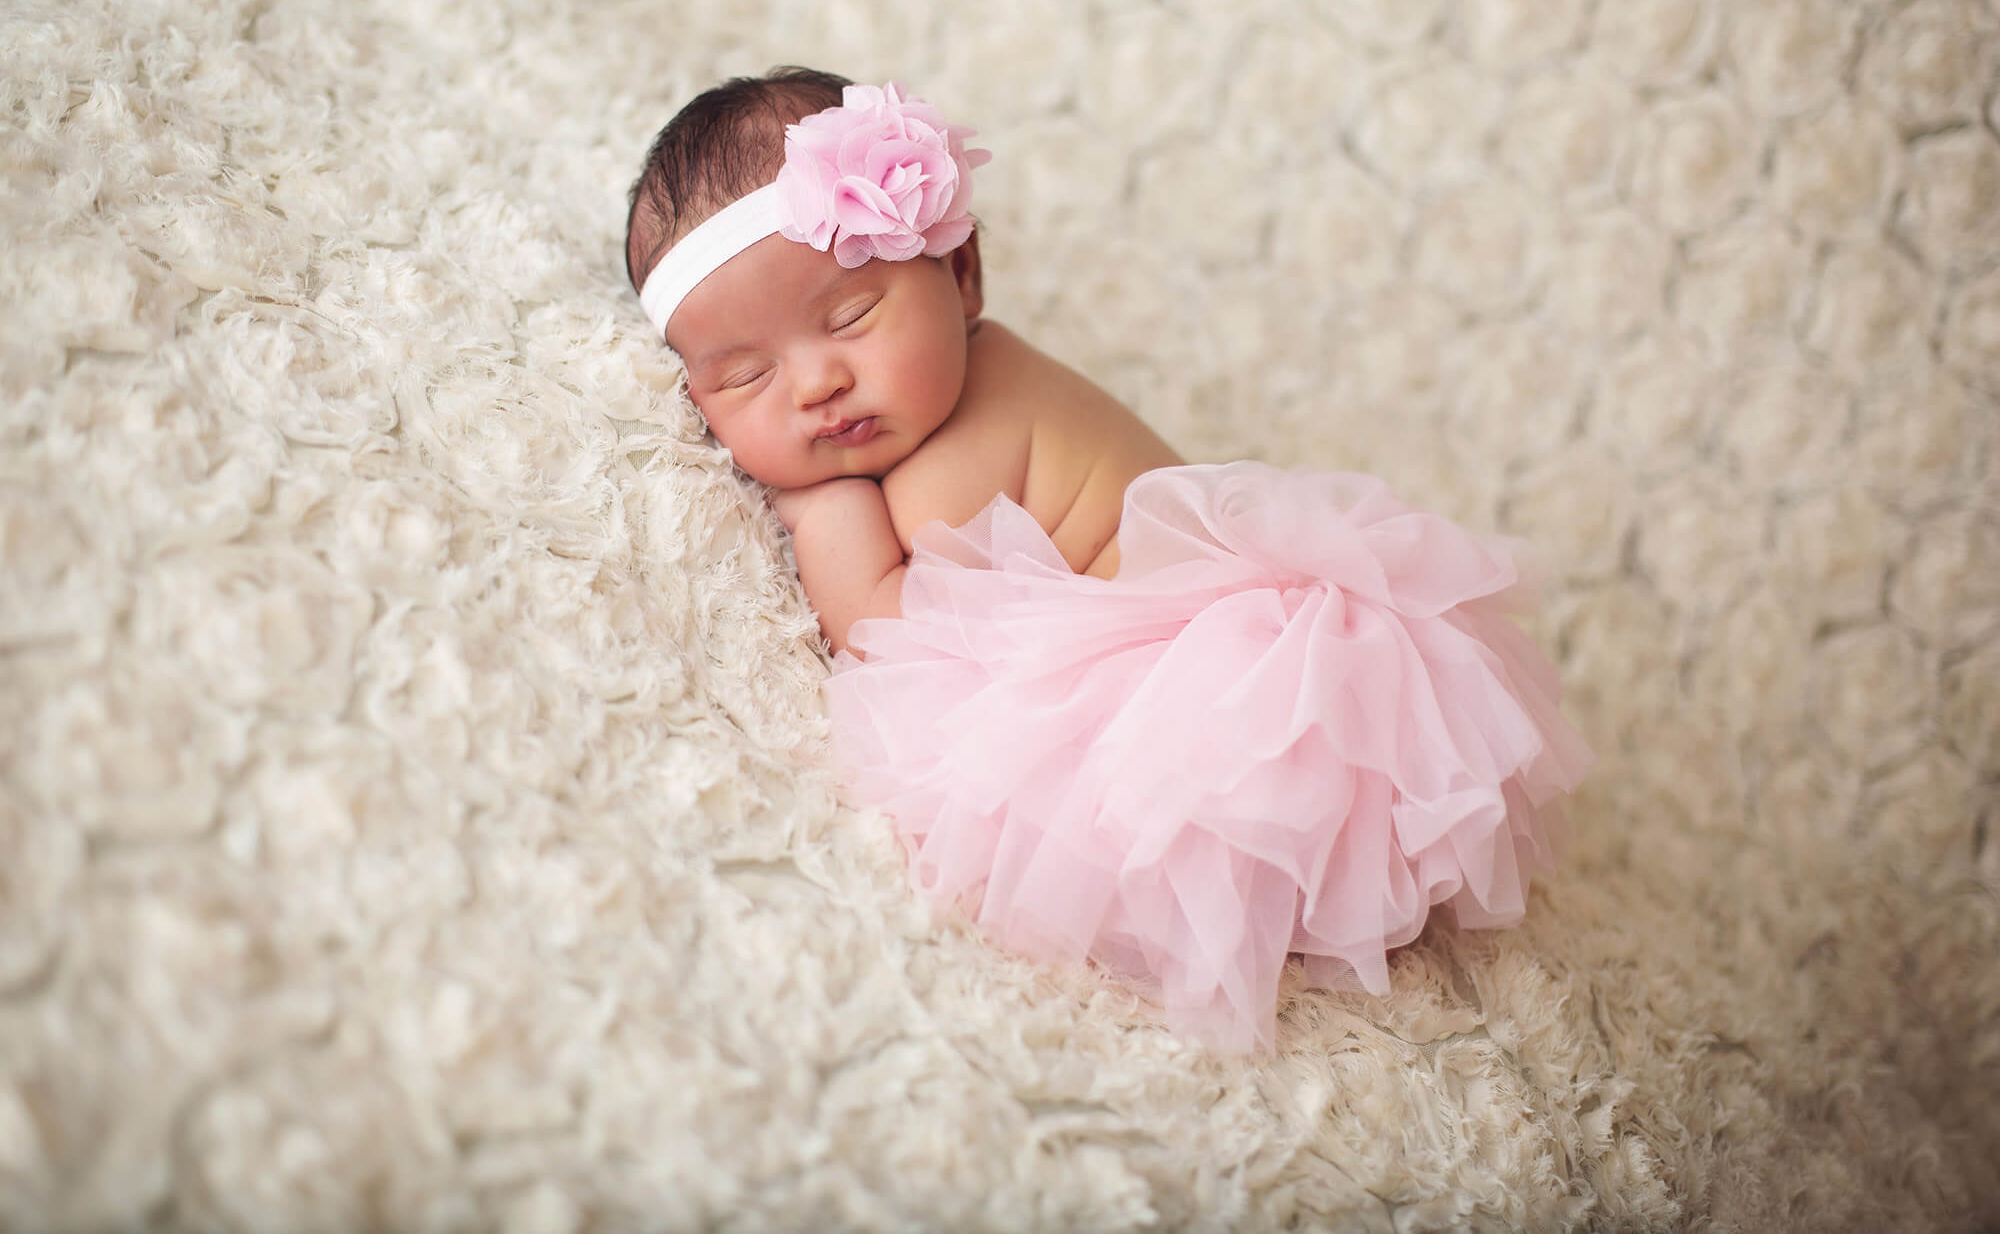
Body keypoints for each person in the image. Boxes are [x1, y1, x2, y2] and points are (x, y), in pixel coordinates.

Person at [625, 67, 1593, 1051]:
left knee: (1106, 820)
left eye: (849, 318)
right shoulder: (929, 415)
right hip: (1241, 675)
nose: (818, 381)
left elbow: (887, 630)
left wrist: (819, 507)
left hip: (1228, 706)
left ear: (961, 277)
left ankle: (1304, 893)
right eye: (745, 375)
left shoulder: (977, 431)